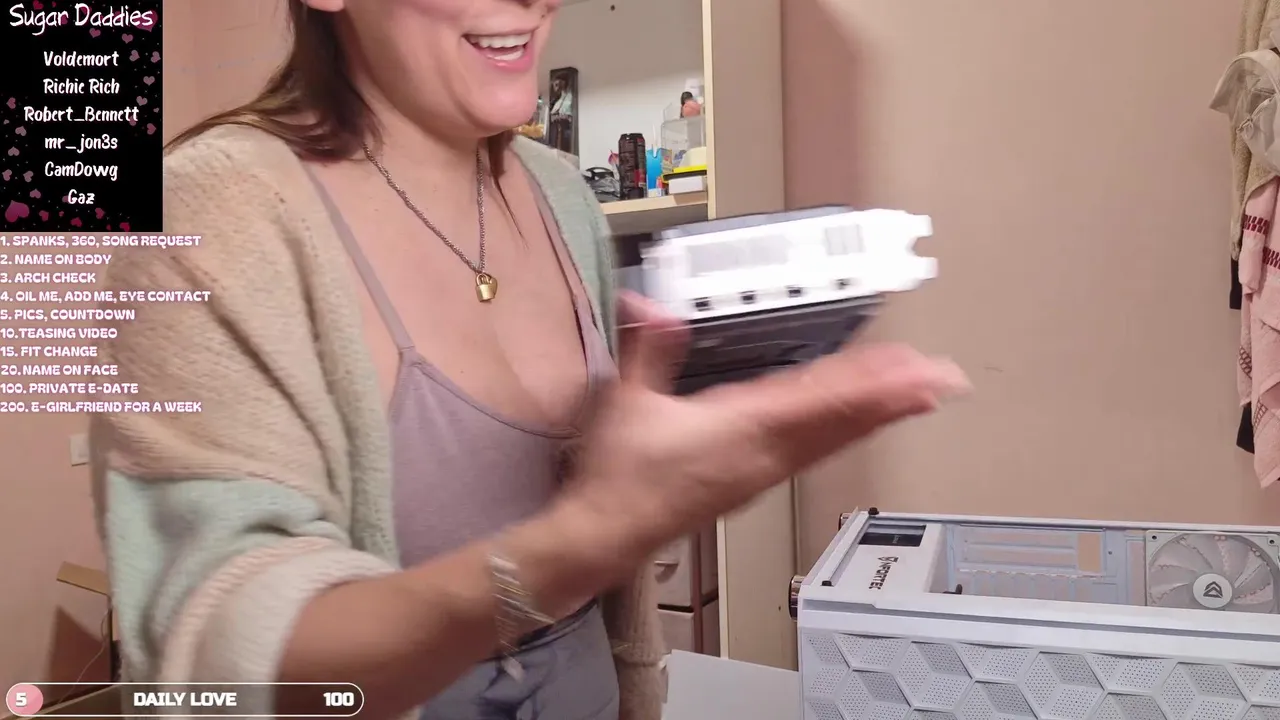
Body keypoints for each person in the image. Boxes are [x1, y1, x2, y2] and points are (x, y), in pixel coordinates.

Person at [89, 0, 970, 719]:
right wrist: (588, 538)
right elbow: (223, 658)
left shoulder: (558, 192)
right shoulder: (207, 209)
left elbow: (617, 604)